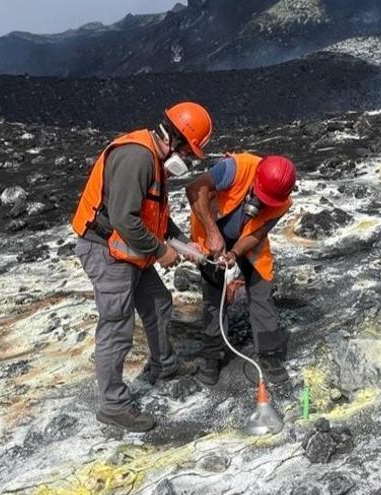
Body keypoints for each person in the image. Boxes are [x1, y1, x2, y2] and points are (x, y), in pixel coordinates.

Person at [71, 102, 213, 432]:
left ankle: (166, 365)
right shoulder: (137, 157)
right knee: (117, 328)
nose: (189, 160)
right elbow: (123, 218)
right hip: (106, 251)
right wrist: (161, 251)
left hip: (130, 250)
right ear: (176, 140)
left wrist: (180, 242)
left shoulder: (153, 158)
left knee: (159, 305)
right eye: (190, 152)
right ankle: (113, 406)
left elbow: (155, 214)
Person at [186, 153, 296, 387]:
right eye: (261, 196)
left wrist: (235, 254)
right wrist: (213, 233)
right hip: (211, 230)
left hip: (248, 239)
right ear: (256, 179)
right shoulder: (236, 168)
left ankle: (269, 355)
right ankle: (211, 357)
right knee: (214, 295)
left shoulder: (283, 201)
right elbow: (195, 189)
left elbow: (257, 234)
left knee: (261, 291)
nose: (263, 204)